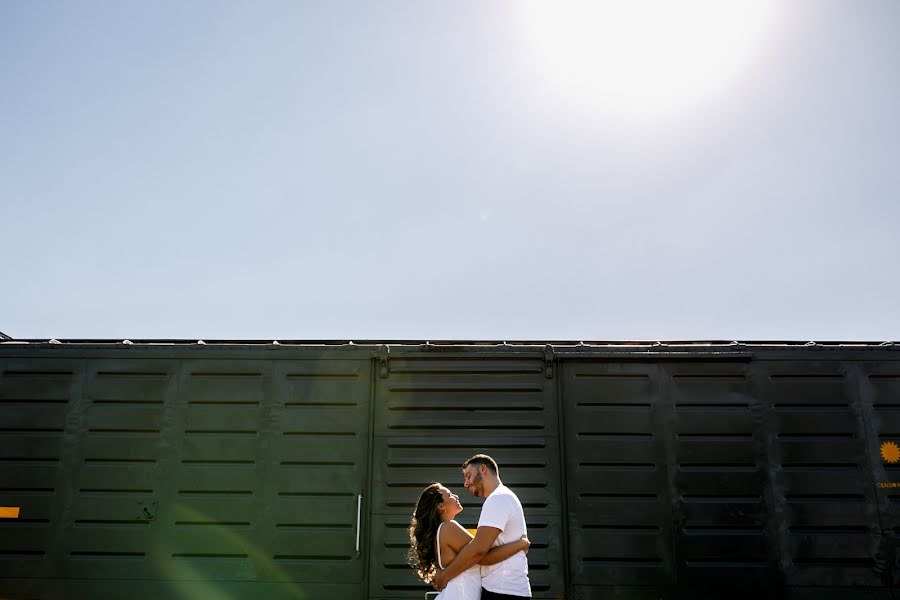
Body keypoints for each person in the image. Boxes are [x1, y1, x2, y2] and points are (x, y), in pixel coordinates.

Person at [432, 455, 532, 599]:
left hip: (504, 591)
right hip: (502, 589)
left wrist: (444, 576)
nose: (466, 484)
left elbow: (479, 552)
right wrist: (520, 544)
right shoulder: (499, 498)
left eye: (468, 476)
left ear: (483, 469)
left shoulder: (498, 498)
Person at [408, 482, 530, 599]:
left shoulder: (442, 531)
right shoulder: (448, 528)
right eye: (450, 495)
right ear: (441, 506)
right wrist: (521, 544)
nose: (456, 496)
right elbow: (484, 555)